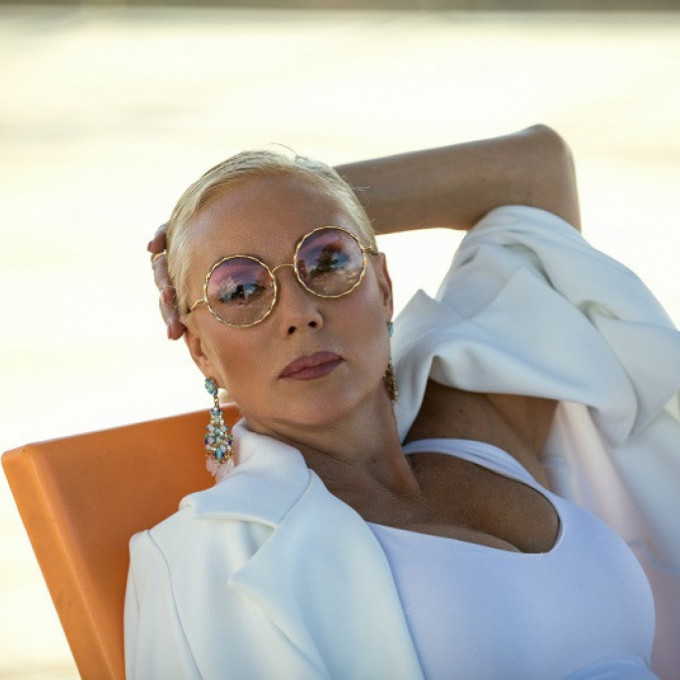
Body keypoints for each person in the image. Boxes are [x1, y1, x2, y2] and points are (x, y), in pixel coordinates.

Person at [127, 125, 680, 679]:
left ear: (384, 288)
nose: (299, 313)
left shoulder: (476, 428)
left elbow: (536, 172)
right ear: (200, 350)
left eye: (327, 260)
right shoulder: (208, 558)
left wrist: (300, 190)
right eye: (240, 290)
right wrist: (269, 207)